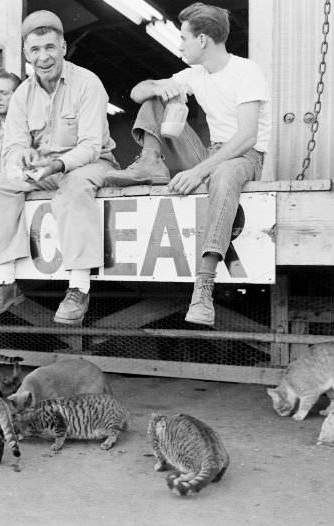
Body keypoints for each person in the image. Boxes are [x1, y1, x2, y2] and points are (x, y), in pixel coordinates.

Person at [106, 2, 270, 326]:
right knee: (157, 93)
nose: (180, 44)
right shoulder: (194, 74)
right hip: (209, 153)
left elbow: (248, 136)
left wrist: (198, 170)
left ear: (204, 40)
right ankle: (150, 161)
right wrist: (159, 87)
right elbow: (139, 92)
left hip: (243, 156)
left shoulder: (246, 71)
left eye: (183, 38)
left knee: (222, 174)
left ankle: (204, 286)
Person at [0, 10, 118, 326]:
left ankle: (79, 288)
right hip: (44, 171)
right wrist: (21, 157)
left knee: (74, 186)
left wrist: (55, 164)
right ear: (26, 54)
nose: (44, 57)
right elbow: (12, 146)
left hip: (90, 164)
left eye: (50, 48)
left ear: (64, 47)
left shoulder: (87, 83)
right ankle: (6, 282)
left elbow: (91, 145)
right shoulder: (22, 95)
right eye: (35, 50)